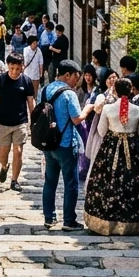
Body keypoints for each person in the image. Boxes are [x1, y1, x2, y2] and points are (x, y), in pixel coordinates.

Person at [84, 78, 139, 235]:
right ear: (130, 90)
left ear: (114, 90)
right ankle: (132, 222)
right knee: (133, 183)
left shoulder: (108, 109)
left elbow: (101, 131)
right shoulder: (137, 110)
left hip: (111, 149)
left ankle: (105, 222)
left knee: (107, 183)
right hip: (132, 150)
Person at [40, 61, 89, 232]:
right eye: (76, 76)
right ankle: (69, 220)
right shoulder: (69, 94)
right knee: (71, 183)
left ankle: (49, 218)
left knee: (50, 181)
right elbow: (76, 119)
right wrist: (88, 109)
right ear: (67, 75)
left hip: (48, 143)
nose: (77, 81)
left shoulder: (44, 90)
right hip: (66, 143)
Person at [0, 52, 34, 191]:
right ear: (8, 66)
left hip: (20, 122)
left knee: (18, 151)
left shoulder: (26, 81)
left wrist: (33, 123)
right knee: (3, 153)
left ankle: (14, 180)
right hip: (3, 122)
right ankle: (4, 166)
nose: (14, 71)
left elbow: (30, 103)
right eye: (12, 68)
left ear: (22, 67)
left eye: (17, 68)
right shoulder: (1, 80)